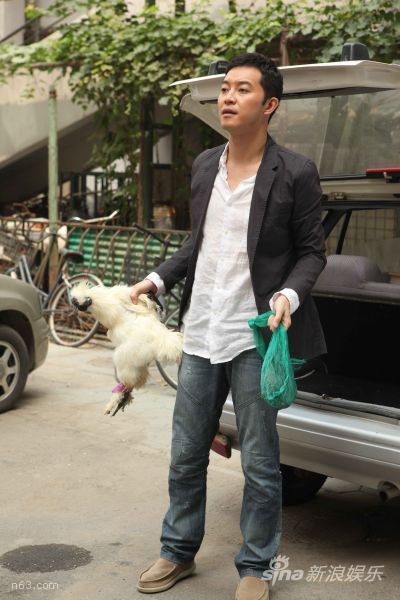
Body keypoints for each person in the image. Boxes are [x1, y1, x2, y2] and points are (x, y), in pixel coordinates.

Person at [129, 52, 327, 600]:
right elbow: (198, 245)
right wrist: (155, 280)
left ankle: (256, 566)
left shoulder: (296, 171)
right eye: (224, 89)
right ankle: (177, 551)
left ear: (269, 105)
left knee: (261, 462)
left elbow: (313, 253)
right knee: (186, 453)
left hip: (254, 337)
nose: (227, 97)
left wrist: (287, 296)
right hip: (202, 331)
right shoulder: (203, 167)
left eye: (242, 89)